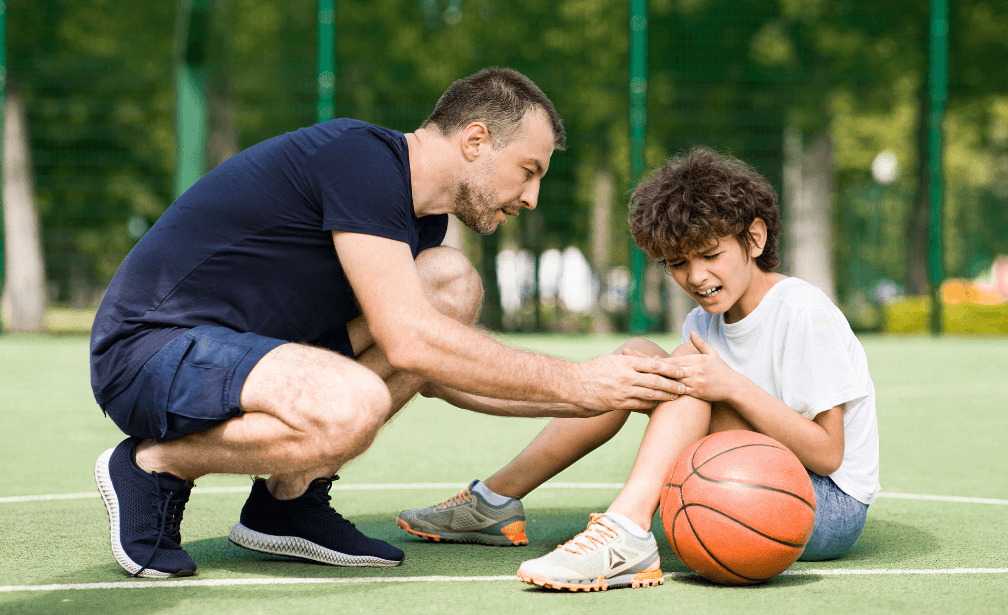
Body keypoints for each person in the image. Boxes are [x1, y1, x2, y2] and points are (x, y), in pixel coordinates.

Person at [89, 67, 690, 579]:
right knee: (354, 402)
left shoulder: (419, 221)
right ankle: (154, 465)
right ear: (476, 140)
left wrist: (605, 397)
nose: (531, 197)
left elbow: (433, 370)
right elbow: (410, 340)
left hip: (243, 352)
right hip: (151, 351)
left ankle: (286, 500)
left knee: (450, 283)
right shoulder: (361, 159)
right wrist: (578, 381)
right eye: (529, 170)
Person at [398, 146, 880, 591]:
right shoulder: (703, 321)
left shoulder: (800, 310)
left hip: (823, 504)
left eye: (711, 255)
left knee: (685, 376)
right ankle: (495, 501)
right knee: (637, 359)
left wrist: (731, 387)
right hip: (748, 474)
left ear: (753, 238)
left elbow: (827, 454)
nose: (696, 277)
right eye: (677, 263)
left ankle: (627, 532)